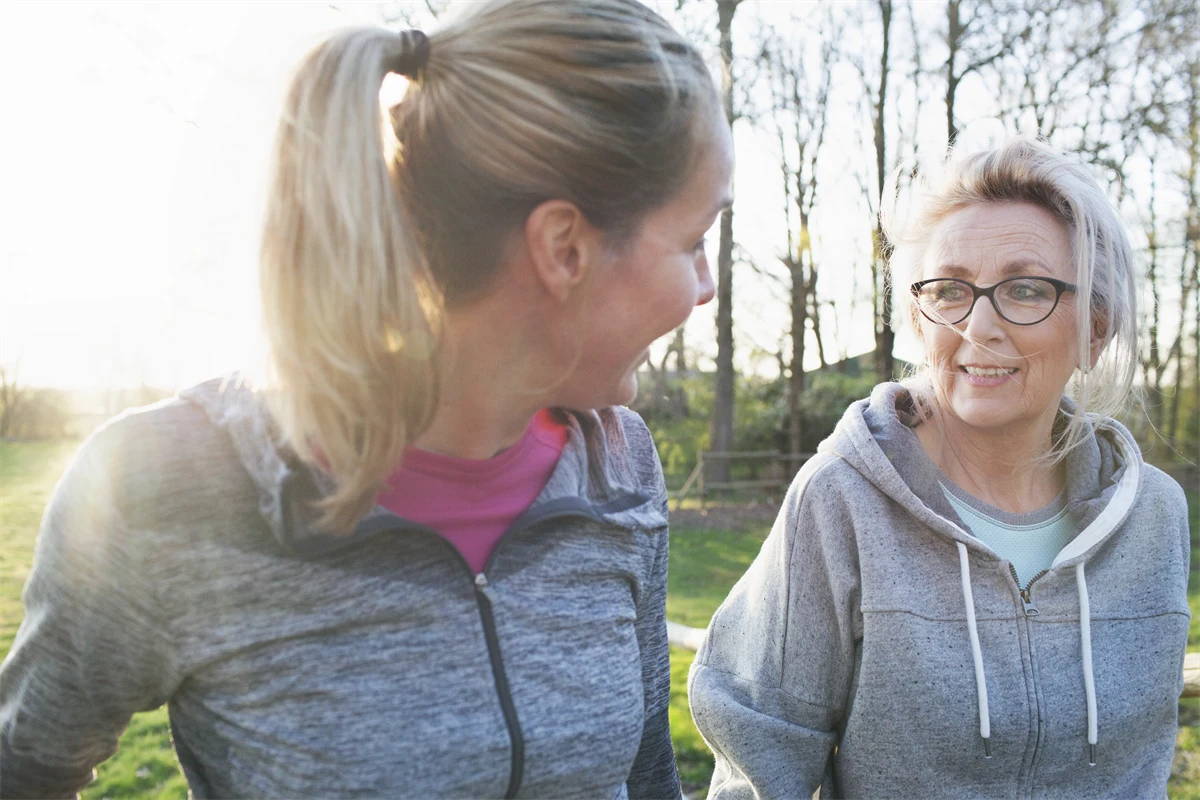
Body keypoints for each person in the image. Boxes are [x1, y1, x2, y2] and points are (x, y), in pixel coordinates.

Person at [0, 1, 733, 797]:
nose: (706, 287)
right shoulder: (156, 486)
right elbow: (24, 766)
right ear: (564, 249)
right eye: (694, 240)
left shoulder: (622, 471)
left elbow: (647, 777)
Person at [688, 137, 1190, 799]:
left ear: (1094, 331)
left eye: (1026, 289)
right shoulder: (840, 500)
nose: (978, 326)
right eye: (950, 291)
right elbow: (757, 763)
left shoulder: (1153, 514)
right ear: (920, 320)